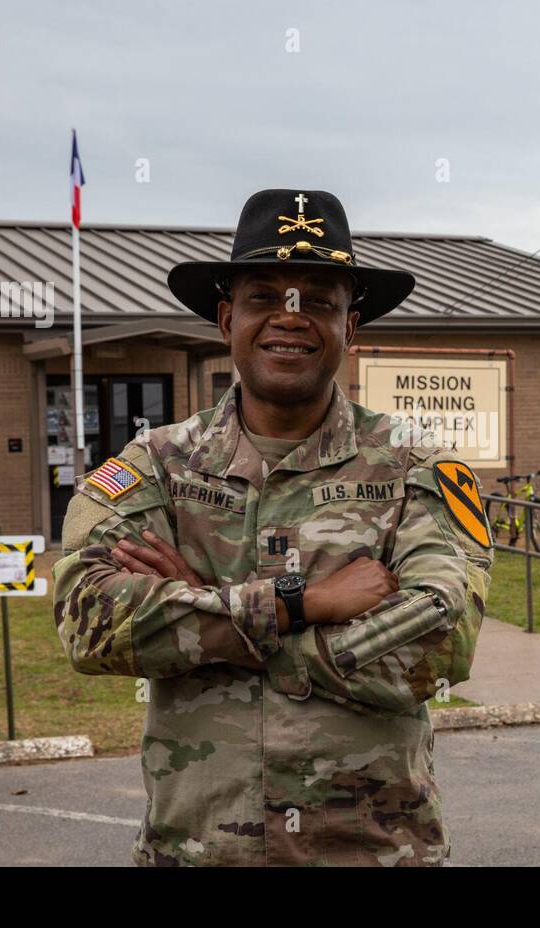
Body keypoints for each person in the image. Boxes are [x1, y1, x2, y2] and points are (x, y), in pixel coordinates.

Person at [53, 188, 494, 866]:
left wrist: (206, 610)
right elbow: (87, 623)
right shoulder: (157, 468)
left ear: (353, 324)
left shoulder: (420, 469)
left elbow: (434, 648)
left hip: (371, 853)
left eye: (318, 300)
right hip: (197, 851)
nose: (290, 319)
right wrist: (301, 603)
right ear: (227, 319)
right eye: (265, 297)